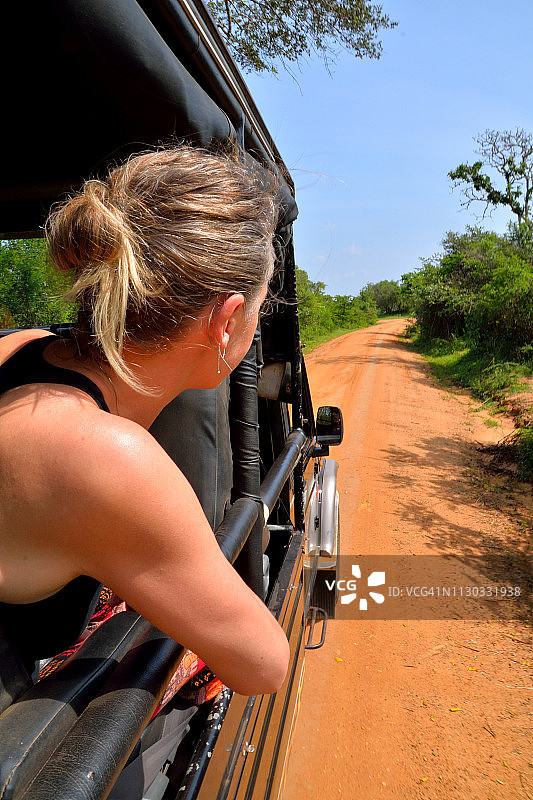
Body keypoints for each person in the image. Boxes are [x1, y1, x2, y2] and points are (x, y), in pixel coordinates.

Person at [0, 143, 290, 698]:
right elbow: (264, 664)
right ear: (227, 321)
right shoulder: (104, 456)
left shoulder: (19, 348)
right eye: (261, 298)